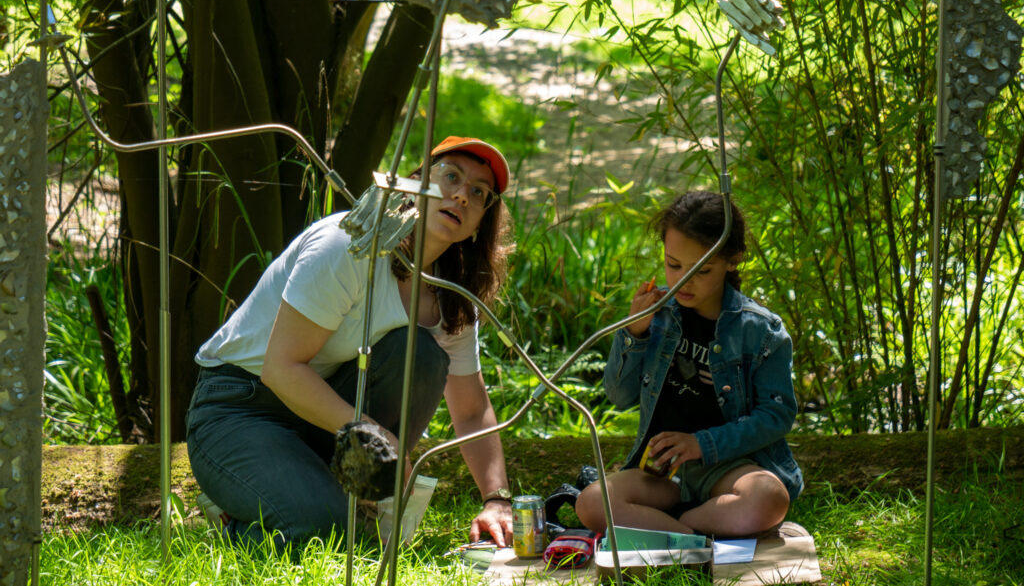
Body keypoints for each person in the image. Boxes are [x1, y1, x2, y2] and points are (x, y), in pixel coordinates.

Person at [186, 136, 517, 549]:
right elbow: (280, 368)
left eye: (478, 193)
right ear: (416, 185)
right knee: (322, 530)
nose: (461, 196)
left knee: (420, 355)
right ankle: (237, 517)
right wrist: (377, 435)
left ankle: (338, 495)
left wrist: (497, 499)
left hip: (322, 411)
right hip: (241, 407)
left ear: (480, 224)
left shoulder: (448, 297)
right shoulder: (350, 244)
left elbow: (470, 409)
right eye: (451, 176)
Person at [575, 191, 803, 538]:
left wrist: (702, 444)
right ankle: (695, 540)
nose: (682, 280)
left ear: (732, 260)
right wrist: (633, 333)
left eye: (701, 269)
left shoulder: (761, 331)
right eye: (673, 264)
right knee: (591, 503)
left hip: (728, 471)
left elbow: (776, 415)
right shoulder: (659, 315)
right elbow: (618, 396)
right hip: (663, 473)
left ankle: (684, 529)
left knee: (768, 497)